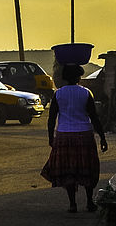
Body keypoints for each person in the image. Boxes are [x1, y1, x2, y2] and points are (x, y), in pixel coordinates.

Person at [40, 62, 108, 213]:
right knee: (87, 169)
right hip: (84, 135)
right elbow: (94, 117)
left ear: (65, 78)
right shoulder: (86, 93)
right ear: (79, 77)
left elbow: (51, 119)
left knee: (69, 170)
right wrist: (103, 137)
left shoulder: (58, 94)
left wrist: (51, 137)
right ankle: (89, 202)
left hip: (64, 135)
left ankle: (72, 204)